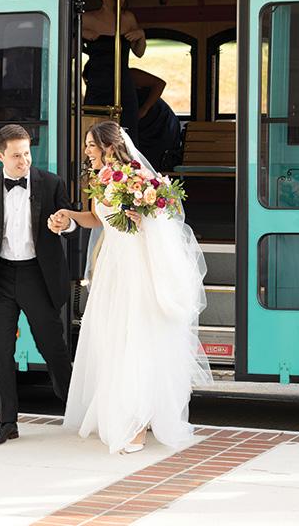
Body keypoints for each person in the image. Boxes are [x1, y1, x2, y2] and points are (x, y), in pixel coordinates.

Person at [53, 121, 212, 454]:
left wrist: (145, 220)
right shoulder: (99, 179)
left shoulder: (138, 177)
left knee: (135, 341)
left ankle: (137, 425)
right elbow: (98, 219)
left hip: (136, 268)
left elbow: (160, 220)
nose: (86, 151)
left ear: (109, 147)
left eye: (91, 145)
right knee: (111, 341)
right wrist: (70, 215)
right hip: (112, 267)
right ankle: (124, 415)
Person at [0, 124, 75, 447]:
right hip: (1, 277)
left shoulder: (51, 183)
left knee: (52, 347)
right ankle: (6, 422)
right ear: (0, 156)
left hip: (38, 275)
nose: (24, 161)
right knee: (1, 352)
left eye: (27, 153)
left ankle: (74, 409)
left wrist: (65, 223)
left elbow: (71, 221)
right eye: (16, 156)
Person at [82, 0, 146, 145]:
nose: (121, 0)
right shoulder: (87, 19)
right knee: (95, 133)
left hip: (124, 85)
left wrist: (141, 35)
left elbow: (139, 52)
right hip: (98, 85)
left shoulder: (128, 18)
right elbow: (70, 52)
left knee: (127, 135)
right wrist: (78, 32)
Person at [130, 68, 181, 170]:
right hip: (141, 124)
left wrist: (144, 109)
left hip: (159, 120)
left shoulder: (129, 74)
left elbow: (160, 84)